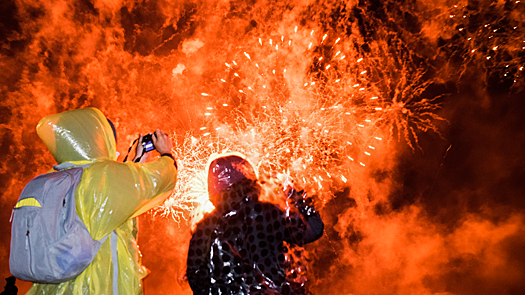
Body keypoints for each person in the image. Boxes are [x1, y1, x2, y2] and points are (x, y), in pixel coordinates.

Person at [25, 107, 177, 294]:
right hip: (94, 287)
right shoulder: (100, 178)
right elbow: (159, 179)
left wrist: (137, 162)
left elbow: (118, 202)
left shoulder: (52, 181)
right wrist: (167, 155)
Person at [186, 152, 324, 295]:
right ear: (249, 181)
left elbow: (195, 277)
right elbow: (313, 230)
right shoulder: (265, 213)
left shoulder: (204, 229)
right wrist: (295, 194)